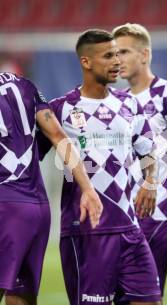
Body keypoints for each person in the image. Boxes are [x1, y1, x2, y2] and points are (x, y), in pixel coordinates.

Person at [41, 29, 161, 305]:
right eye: (108, 55)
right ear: (86, 62)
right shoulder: (60, 109)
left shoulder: (129, 103)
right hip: (86, 231)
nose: (116, 61)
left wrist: (150, 181)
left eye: (118, 53)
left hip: (130, 228)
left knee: (151, 300)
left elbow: (148, 150)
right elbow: (30, 157)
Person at [0, 71, 102, 305]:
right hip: (36, 209)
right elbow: (58, 135)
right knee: (20, 296)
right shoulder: (24, 85)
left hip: (4, 205)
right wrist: (87, 188)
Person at [112, 23, 167, 295]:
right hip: (125, 211)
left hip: (161, 209)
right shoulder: (117, 100)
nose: (118, 60)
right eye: (114, 54)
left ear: (145, 54)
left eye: (124, 52)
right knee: (124, 293)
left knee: (143, 294)